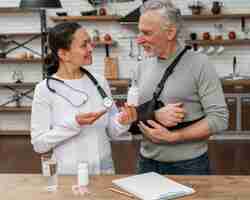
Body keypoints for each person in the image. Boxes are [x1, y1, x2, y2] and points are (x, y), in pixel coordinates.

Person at [128, 0, 228, 175]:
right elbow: (129, 119)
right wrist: (154, 115)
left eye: (147, 33)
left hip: (189, 165)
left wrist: (175, 136)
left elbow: (219, 119)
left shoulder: (200, 64)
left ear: (170, 32)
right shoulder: (140, 68)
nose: (139, 39)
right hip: (146, 163)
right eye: (139, 32)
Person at [30, 22, 136, 175]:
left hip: (104, 170)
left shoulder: (100, 82)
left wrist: (123, 120)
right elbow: (39, 144)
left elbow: (113, 131)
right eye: (84, 45)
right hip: (69, 174)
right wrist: (74, 123)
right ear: (63, 54)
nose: (91, 48)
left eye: (90, 43)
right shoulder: (44, 89)